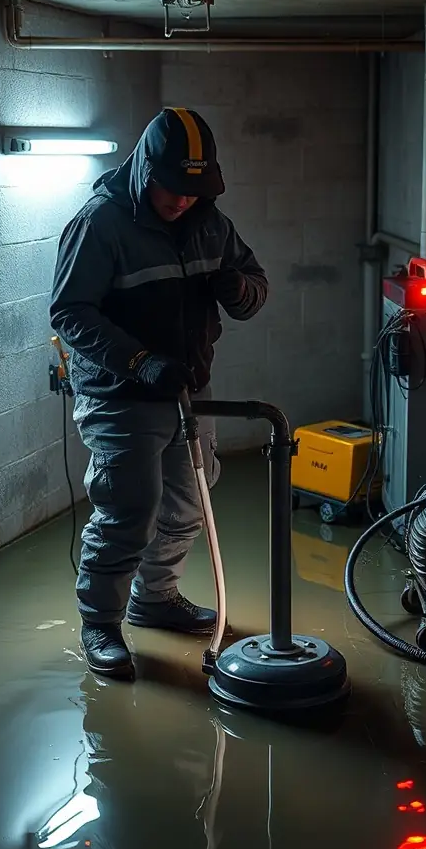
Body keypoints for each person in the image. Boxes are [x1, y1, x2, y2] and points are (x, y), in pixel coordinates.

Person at [50, 107, 267, 679]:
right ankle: (100, 622)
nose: (182, 202)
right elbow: (70, 314)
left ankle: (155, 597)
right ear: (147, 169)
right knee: (130, 508)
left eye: (195, 191)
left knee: (189, 501)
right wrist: (140, 363)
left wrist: (237, 287)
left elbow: (256, 288)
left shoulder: (211, 224)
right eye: (174, 189)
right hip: (121, 395)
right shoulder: (100, 225)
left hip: (188, 391)